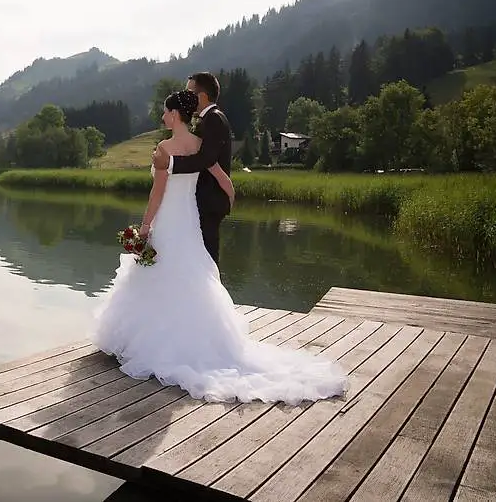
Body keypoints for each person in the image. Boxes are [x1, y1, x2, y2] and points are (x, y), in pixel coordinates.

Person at [90, 90, 348, 405]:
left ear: (174, 114)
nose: (161, 117)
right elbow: (224, 180)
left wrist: (143, 230)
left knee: (159, 272)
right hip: (189, 221)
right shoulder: (200, 146)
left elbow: (156, 195)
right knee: (192, 275)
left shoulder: (164, 149)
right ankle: (206, 341)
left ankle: (152, 341)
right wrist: (229, 199)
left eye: (164, 112)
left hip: (170, 219)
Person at [152, 72, 230, 266]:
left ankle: (209, 295)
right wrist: (229, 189)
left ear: (201, 96)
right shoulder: (208, 119)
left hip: (209, 200)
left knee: (207, 260)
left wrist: (170, 163)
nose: (186, 97)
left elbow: (207, 159)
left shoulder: (213, 119)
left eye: (189, 92)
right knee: (200, 258)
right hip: (204, 199)